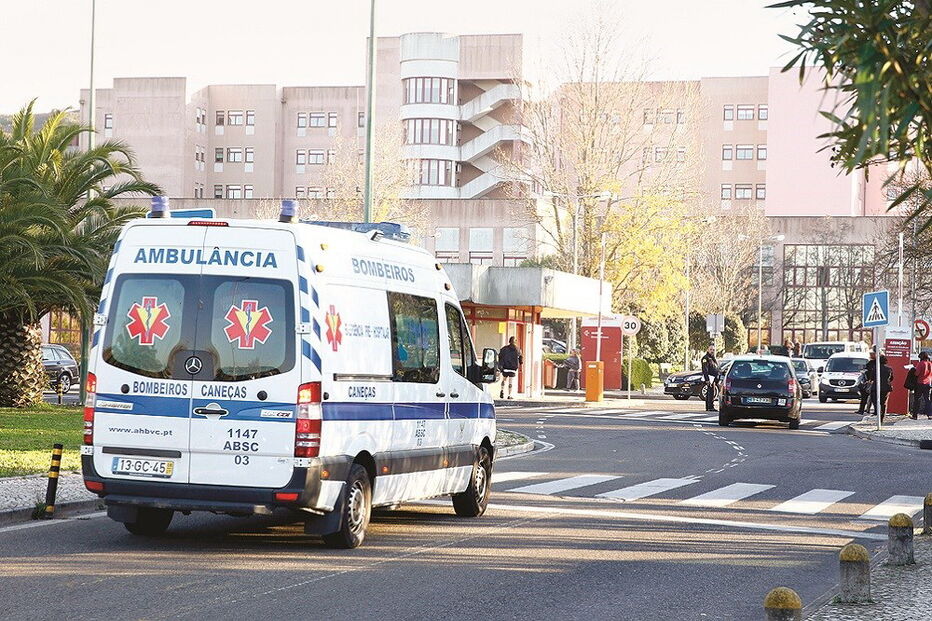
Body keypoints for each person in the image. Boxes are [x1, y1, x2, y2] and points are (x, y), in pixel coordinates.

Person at [871, 355, 894, 421]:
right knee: (883, 402)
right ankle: (882, 417)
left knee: (875, 401)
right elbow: (891, 378)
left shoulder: (875, 368)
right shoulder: (889, 369)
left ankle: (877, 411)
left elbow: (872, 377)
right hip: (886, 388)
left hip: (876, 387)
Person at [857, 350, 877, 415]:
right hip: (868, 382)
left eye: (871, 354)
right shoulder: (871, 363)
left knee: (873, 398)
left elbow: (870, 372)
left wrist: (870, 380)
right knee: (865, 397)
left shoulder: (876, 363)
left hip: (872, 382)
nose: (870, 355)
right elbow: (866, 370)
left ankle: (875, 411)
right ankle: (862, 410)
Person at [700, 345, 719, 412]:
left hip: (713, 379)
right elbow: (705, 370)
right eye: (711, 349)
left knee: (711, 393)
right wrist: (707, 380)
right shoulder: (706, 358)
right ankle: (710, 407)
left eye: (713, 350)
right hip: (709, 379)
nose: (712, 351)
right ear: (708, 350)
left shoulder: (713, 358)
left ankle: (709, 406)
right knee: (710, 393)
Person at [915, 351, 932, 419]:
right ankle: (930, 414)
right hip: (928, 383)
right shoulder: (930, 363)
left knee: (917, 399)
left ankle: (915, 415)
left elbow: (917, 373)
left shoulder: (920, 363)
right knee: (927, 399)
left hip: (920, 383)